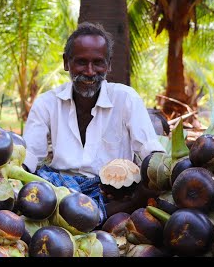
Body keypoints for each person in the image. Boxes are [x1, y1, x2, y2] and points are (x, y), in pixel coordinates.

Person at [22, 22, 166, 224]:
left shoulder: (126, 99)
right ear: (66, 63)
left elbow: (149, 151)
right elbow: (29, 156)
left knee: (140, 192)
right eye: (81, 62)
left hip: (112, 194)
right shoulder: (47, 103)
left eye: (98, 62)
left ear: (109, 64)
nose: (90, 72)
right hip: (59, 189)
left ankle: (90, 218)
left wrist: (153, 178)